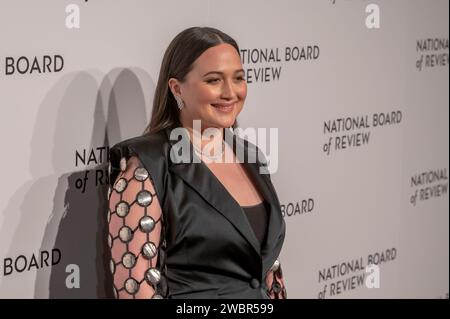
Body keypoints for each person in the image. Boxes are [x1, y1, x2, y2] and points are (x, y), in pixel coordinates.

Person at [107, 26, 287, 299]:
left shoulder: (252, 157)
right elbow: (135, 290)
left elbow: (269, 273)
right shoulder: (147, 167)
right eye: (214, 80)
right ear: (177, 88)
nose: (230, 92)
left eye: (238, 78)